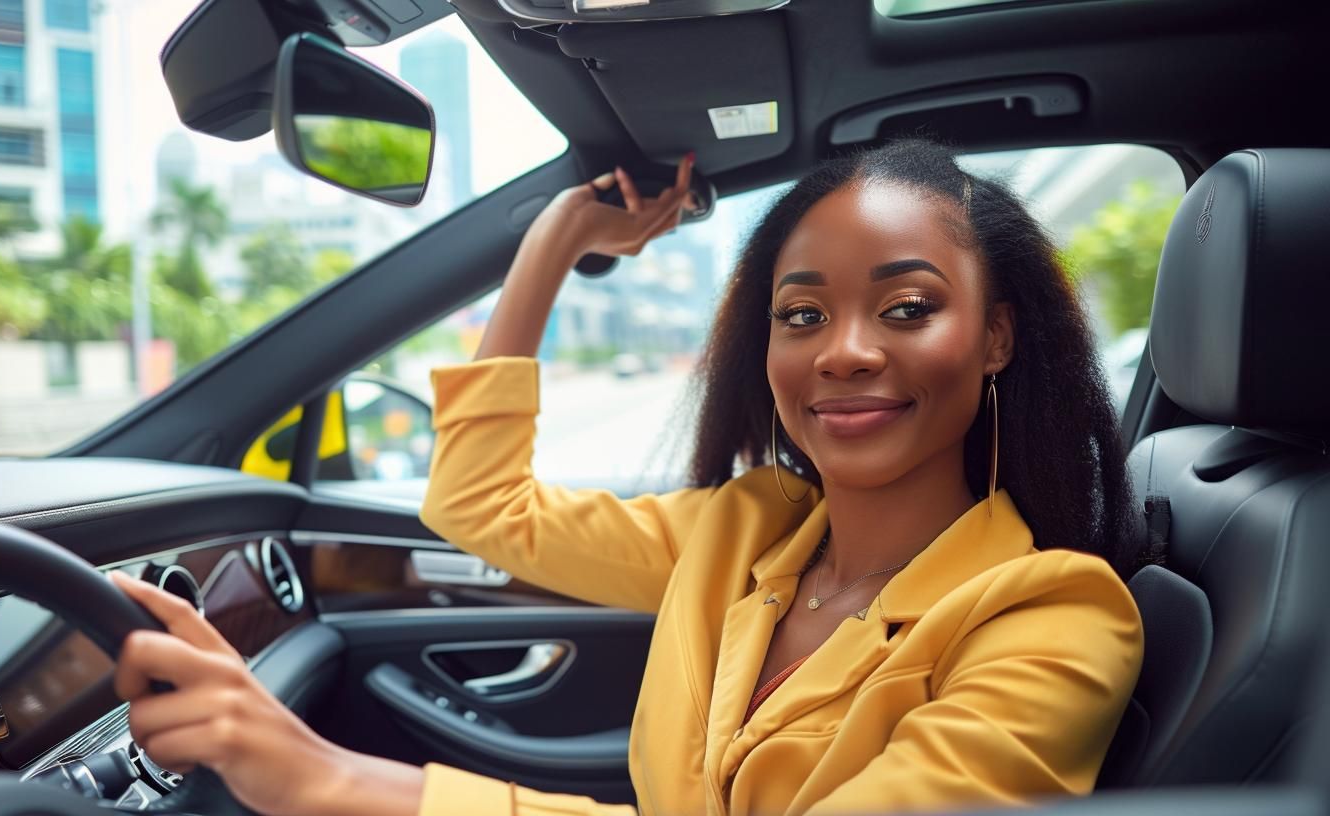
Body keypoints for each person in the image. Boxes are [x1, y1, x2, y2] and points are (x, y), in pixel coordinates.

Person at [111, 139, 1145, 816]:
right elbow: (480, 506)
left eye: (907, 308)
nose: (844, 352)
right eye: (801, 314)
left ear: (997, 336)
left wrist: (336, 779)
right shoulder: (744, 530)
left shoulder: (1056, 620)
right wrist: (555, 242)